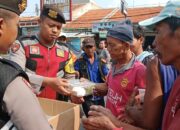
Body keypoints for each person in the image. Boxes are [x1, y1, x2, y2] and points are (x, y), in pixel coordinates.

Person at [82, 0, 180, 130]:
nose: (107, 49)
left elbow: (147, 118)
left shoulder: (141, 70)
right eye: (107, 44)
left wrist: (121, 121)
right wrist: (87, 87)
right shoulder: (114, 66)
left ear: (126, 46)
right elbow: (110, 88)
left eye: (158, 32)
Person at [0, 0, 52, 130]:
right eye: (17, 25)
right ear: (1, 25)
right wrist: (49, 82)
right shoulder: (9, 79)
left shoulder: (64, 49)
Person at [8, 4, 75, 101]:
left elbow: (70, 77)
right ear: (39, 22)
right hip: (28, 102)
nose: (55, 30)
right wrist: (47, 82)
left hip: (58, 104)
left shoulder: (65, 50)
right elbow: (16, 74)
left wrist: (73, 93)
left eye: (59, 27)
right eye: (51, 25)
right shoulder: (23, 44)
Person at [71, 37, 109, 117]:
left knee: (102, 117)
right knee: (91, 117)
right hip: (87, 95)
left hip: (99, 94)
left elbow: (106, 74)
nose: (89, 49)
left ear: (95, 47)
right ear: (83, 48)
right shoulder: (79, 61)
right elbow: (75, 73)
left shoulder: (100, 60)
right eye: (87, 47)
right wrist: (77, 75)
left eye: (91, 47)